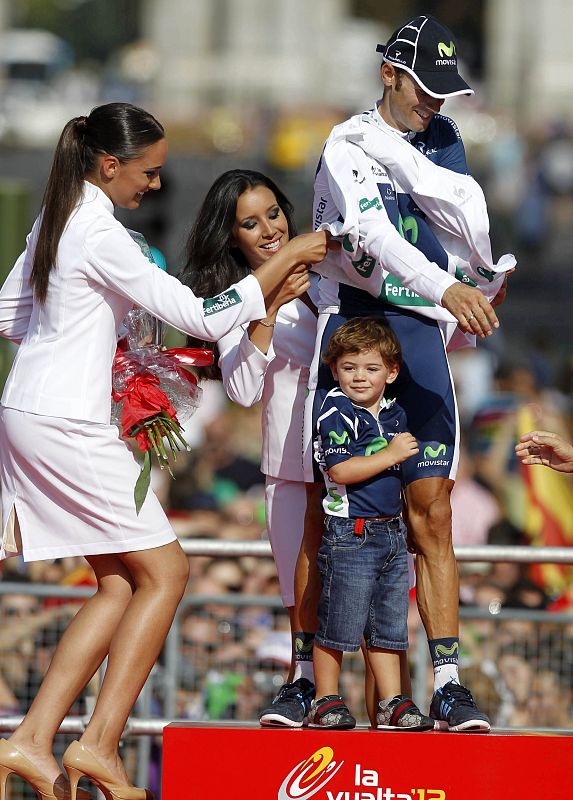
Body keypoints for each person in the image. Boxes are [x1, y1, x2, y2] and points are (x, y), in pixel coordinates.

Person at [0, 103, 330, 800]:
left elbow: (10, 316)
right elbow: (201, 318)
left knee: (124, 582)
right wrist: (292, 257)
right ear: (110, 165)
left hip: (35, 409)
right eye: (148, 172)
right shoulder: (95, 228)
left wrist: (85, 343)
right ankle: (97, 745)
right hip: (65, 420)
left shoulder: (57, 217)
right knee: (168, 573)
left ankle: (33, 740)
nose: (155, 185)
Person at [301, 15, 512, 732]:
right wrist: (445, 286)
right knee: (335, 515)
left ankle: (446, 683)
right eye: (426, 87)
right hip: (359, 322)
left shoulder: (444, 136)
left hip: (418, 330)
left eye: (447, 90)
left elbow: (455, 222)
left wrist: (478, 279)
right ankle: (315, 684)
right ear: (388, 73)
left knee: (432, 511)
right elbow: (374, 234)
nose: (438, 103)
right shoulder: (346, 143)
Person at [178, 169, 335, 727]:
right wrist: (266, 312)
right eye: (251, 222)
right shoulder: (230, 302)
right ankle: (305, 687)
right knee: (302, 595)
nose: (269, 229)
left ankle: (387, 705)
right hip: (289, 467)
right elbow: (243, 390)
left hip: (357, 464)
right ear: (232, 235)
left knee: (368, 593)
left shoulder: (331, 272)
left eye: (274, 213)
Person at [308, 316, 433, 731]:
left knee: (389, 626)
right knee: (338, 623)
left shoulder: (394, 414)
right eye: (349, 367)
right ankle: (325, 699)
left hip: (391, 532)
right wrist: (392, 454)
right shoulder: (335, 410)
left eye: (371, 368)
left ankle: (392, 701)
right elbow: (340, 471)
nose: (360, 376)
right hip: (352, 533)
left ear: (391, 372)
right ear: (334, 370)